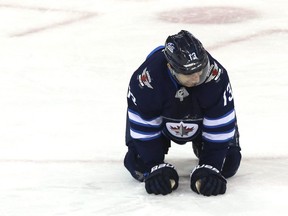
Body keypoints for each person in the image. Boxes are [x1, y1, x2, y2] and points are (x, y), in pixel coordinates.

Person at [124, 30, 241, 196]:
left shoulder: (216, 77)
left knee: (229, 164)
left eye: (201, 69)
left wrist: (211, 166)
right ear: (170, 67)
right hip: (162, 121)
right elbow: (144, 128)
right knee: (137, 164)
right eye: (189, 74)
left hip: (200, 120)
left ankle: (200, 144)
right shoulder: (146, 81)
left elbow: (220, 125)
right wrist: (154, 165)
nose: (198, 76)